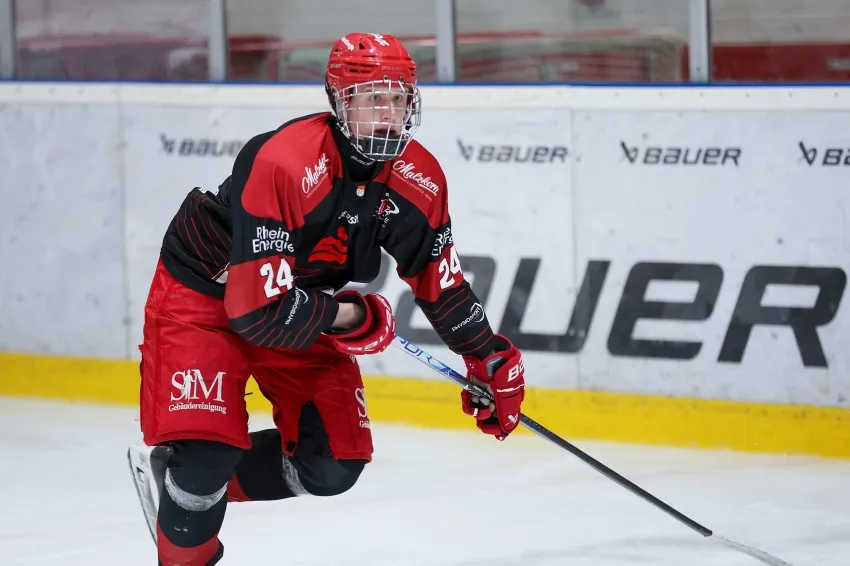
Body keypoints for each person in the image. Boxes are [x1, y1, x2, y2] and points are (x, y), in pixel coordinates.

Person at [127, 31, 527, 565]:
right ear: (340, 103)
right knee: (207, 454)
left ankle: (181, 483)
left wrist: (487, 353)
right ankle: (190, 503)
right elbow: (255, 313)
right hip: (204, 295)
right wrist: (354, 315)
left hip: (291, 303)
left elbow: (441, 279)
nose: (388, 112)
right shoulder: (283, 162)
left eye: (400, 97)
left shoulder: (419, 179)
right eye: (372, 98)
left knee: (333, 463)